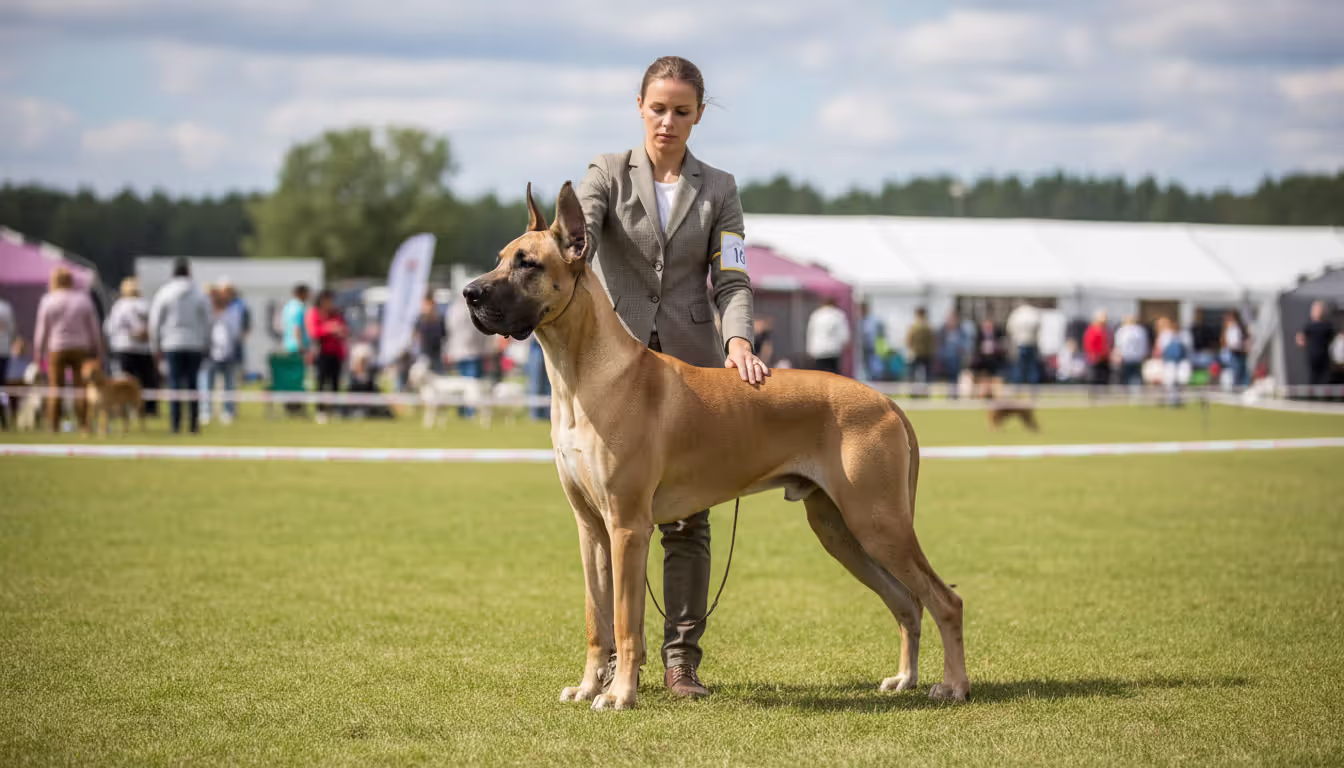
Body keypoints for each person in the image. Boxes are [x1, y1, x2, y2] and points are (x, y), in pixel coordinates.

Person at [576, 55, 767, 699]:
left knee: (689, 521)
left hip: (691, 371)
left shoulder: (720, 187)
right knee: (605, 520)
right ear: (640, 106)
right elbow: (581, 239)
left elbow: (732, 275)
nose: (668, 122)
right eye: (658, 108)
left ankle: (680, 662)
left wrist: (737, 336)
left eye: (681, 111)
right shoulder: (606, 173)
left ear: (698, 115)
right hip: (614, 367)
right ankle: (603, 661)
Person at [34, 266, 105, 433]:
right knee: (81, 388)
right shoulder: (83, 299)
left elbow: (41, 330)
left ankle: (54, 425)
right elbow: (94, 328)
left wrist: (38, 353)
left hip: (56, 348)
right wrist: (98, 349)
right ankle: (84, 425)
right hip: (81, 348)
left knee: (55, 387)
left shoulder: (48, 300)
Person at [149, 258, 211, 434]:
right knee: (193, 385)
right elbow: (208, 321)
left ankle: (175, 425)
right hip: (195, 344)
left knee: (174, 384)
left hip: (171, 343)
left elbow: (155, 322)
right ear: (189, 272)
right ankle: (193, 424)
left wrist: (155, 346)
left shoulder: (165, 293)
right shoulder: (199, 293)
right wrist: (207, 343)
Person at [104, 277, 159, 417]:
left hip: (124, 348)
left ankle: (124, 410)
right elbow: (154, 327)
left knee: (123, 382)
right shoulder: (146, 304)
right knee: (147, 382)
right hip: (144, 349)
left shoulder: (119, 305)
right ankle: (149, 410)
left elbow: (110, 328)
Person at [201, 284, 244, 425]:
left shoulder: (232, 312)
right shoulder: (208, 313)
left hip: (228, 353)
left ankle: (228, 411)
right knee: (207, 383)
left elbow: (235, 333)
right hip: (210, 353)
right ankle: (206, 411)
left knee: (229, 384)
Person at [306, 288, 348, 423]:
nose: (330, 302)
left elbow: (344, 329)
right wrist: (329, 328)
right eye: (327, 299)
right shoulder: (314, 313)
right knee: (321, 383)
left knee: (335, 383)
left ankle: (335, 411)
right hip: (321, 353)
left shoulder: (336, 313)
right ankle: (320, 411)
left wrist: (340, 330)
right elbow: (313, 332)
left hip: (336, 353)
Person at [444, 297, 489, 417]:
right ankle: (467, 412)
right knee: (468, 386)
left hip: (467, 353)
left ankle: (468, 411)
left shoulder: (454, 309)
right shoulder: (476, 308)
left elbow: (449, 331)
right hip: (468, 353)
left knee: (467, 386)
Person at [806, 297, 850, 375]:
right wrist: (845, 344)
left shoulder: (816, 315)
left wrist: (810, 349)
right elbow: (844, 334)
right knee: (833, 373)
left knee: (820, 372)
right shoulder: (838, 314)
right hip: (833, 350)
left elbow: (810, 332)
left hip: (818, 350)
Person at [1296, 300, 1333, 389]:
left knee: (1325, 378)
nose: (1318, 311)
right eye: (1316, 309)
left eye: (1319, 309)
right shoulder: (1309, 326)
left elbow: (1333, 339)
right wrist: (1301, 343)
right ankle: (1312, 398)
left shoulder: (1327, 325)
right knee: (1314, 378)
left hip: (1324, 356)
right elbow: (1300, 336)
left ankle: (1324, 398)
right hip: (1313, 356)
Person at [1006, 301, 1041, 388]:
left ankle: (1017, 385)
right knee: (1031, 366)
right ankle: (1032, 385)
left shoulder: (1016, 314)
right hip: (1030, 343)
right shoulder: (1033, 314)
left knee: (1020, 366)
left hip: (1020, 343)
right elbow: (1038, 328)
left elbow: (1010, 328)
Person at [1154, 316, 1187, 407]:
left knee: (1173, 381)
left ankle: (1173, 400)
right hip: (1169, 361)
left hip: (1174, 361)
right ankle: (1167, 399)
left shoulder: (1173, 334)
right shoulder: (1168, 334)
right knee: (1168, 381)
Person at [936, 311, 968, 399]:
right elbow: (939, 344)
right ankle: (949, 394)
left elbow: (964, 342)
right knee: (948, 378)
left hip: (956, 357)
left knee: (955, 377)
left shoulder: (960, 329)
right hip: (945, 358)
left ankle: (954, 395)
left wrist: (962, 350)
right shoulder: (942, 329)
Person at [1113, 315, 1149, 390]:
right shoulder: (1141, 330)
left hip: (1126, 357)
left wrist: (1117, 356)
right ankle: (1136, 394)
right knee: (1136, 377)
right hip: (1137, 357)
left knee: (1126, 378)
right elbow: (1144, 345)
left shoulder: (1122, 330)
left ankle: (1126, 394)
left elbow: (1118, 345)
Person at [414, 294, 447, 374]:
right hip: (424, 353)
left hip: (436, 353)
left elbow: (444, 334)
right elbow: (416, 334)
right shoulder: (420, 319)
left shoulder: (439, 318)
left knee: (438, 376)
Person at [970, 318, 1004, 398]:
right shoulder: (978, 337)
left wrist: (994, 349)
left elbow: (1002, 351)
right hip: (981, 363)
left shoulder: (998, 335)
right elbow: (975, 351)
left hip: (994, 362)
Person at [904, 307, 934, 392]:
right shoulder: (928, 327)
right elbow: (932, 342)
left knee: (912, 376)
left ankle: (913, 393)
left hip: (915, 354)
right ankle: (925, 392)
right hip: (926, 354)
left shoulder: (913, 326)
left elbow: (908, 341)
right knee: (926, 376)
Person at [1083, 309, 1112, 391]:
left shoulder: (1105, 329)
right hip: (1096, 358)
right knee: (1095, 378)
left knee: (1104, 378)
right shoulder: (1092, 330)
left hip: (1104, 358)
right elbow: (1089, 344)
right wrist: (1094, 355)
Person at [1220, 311, 1249, 389]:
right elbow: (1228, 343)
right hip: (1234, 353)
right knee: (1236, 372)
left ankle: (1243, 387)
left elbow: (1243, 339)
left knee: (1243, 371)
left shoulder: (1238, 328)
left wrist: (1244, 345)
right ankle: (1237, 388)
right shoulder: (1229, 329)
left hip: (1240, 352)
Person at [860, 303, 884, 381]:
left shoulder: (873, 320)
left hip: (872, 346)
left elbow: (879, 333)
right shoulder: (858, 320)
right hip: (862, 347)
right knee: (865, 365)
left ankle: (875, 378)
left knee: (874, 365)